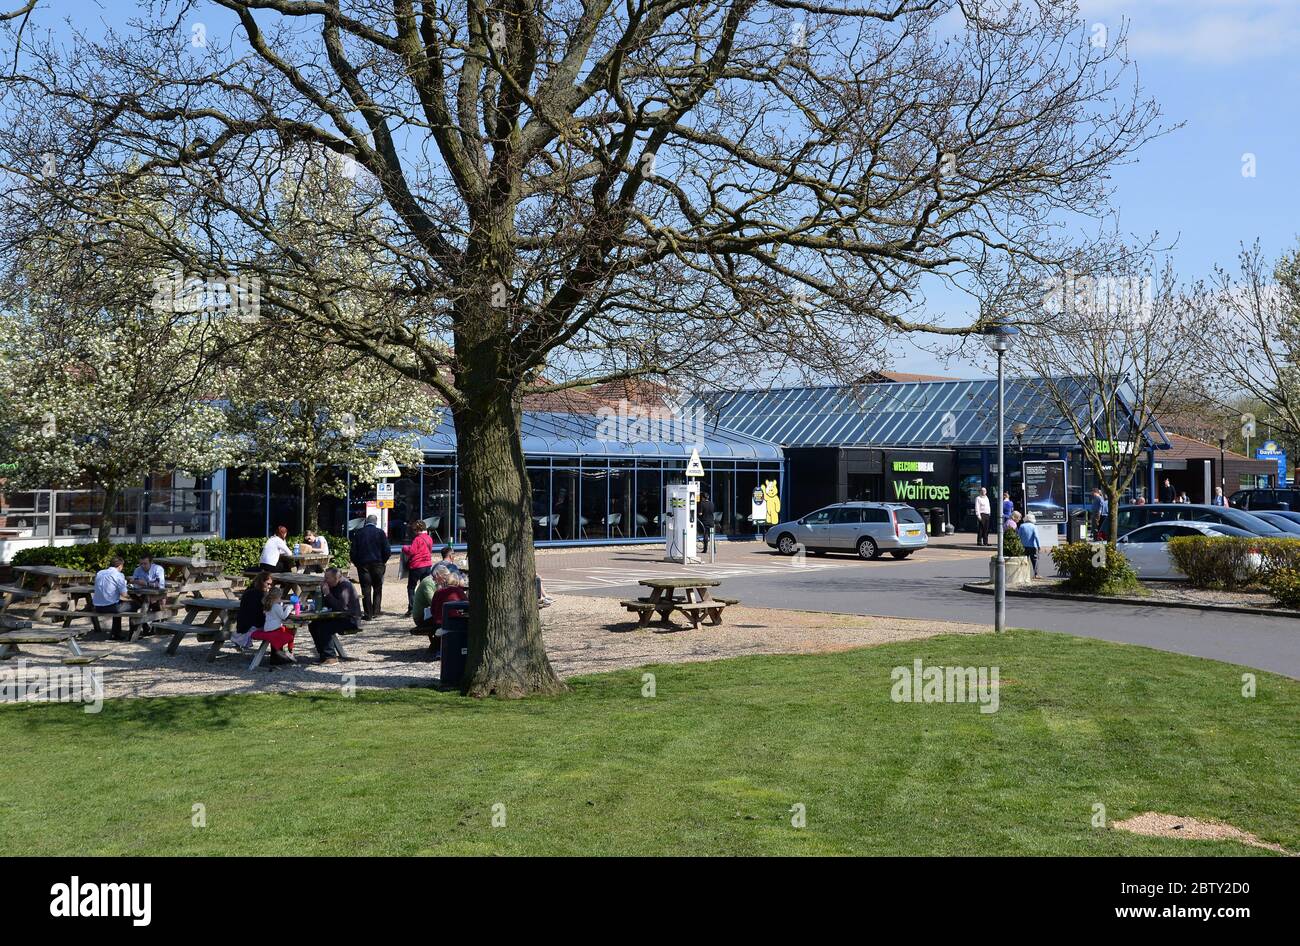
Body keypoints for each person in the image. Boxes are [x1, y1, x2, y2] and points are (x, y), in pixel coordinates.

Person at [308, 567, 360, 664]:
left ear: (336, 578)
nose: (325, 580)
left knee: (325, 627)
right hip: (337, 616)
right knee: (313, 625)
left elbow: (342, 608)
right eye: (325, 577)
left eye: (327, 578)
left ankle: (330, 657)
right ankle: (323, 655)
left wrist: (327, 594)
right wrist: (320, 593)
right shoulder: (331, 585)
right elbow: (326, 604)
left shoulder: (345, 586)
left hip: (350, 619)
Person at [350, 514, 392, 620]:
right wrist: (383, 562)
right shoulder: (380, 533)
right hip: (378, 563)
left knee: (365, 589)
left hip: (363, 565)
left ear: (366, 522)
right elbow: (387, 550)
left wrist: (357, 563)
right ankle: (376, 611)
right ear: (375, 522)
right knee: (377, 588)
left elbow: (353, 552)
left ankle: (368, 614)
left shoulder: (358, 533)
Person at [91, 557, 137, 639]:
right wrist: (132, 597)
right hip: (110, 607)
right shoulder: (119, 575)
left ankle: (116, 633)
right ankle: (132, 634)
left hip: (97, 606)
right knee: (135, 605)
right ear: (120, 566)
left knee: (118, 603)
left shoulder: (100, 573)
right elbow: (124, 594)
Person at [402, 520, 434, 617]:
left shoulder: (417, 539)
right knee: (425, 586)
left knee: (411, 587)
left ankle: (412, 608)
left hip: (417, 566)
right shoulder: (429, 538)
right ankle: (426, 607)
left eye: (414, 530)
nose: (414, 532)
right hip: (427, 565)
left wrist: (404, 548)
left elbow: (411, 551)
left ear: (418, 530)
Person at [236, 572, 275, 644]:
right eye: (268, 584)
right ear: (261, 582)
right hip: (252, 627)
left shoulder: (248, 592)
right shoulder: (262, 595)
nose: (269, 586)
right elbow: (262, 614)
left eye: (270, 584)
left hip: (242, 626)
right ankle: (276, 653)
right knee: (277, 628)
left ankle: (276, 653)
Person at [1017, 512, 1042, 577]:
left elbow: (1018, 536)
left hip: (1023, 546)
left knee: (1025, 560)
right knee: (1035, 560)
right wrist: (1039, 546)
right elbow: (1036, 537)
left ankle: (1024, 574)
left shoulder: (1022, 526)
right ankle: (1036, 574)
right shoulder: (1034, 526)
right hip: (1033, 546)